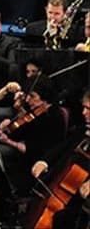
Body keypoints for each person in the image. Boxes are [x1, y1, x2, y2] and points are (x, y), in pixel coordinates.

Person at [0, 79, 65, 195]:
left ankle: (8, 191)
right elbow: (19, 132)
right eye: (27, 96)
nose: (28, 100)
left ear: (45, 99)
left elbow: (35, 150)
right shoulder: (34, 113)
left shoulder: (54, 118)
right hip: (23, 153)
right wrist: (4, 130)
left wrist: (8, 141)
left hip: (35, 162)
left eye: (33, 96)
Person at [28, 91, 90, 228]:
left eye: (89, 109)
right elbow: (61, 148)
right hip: (60, 193)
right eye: (84, 108)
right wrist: (44, 162)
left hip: (79, 206)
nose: (84, 113)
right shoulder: (82, 131)